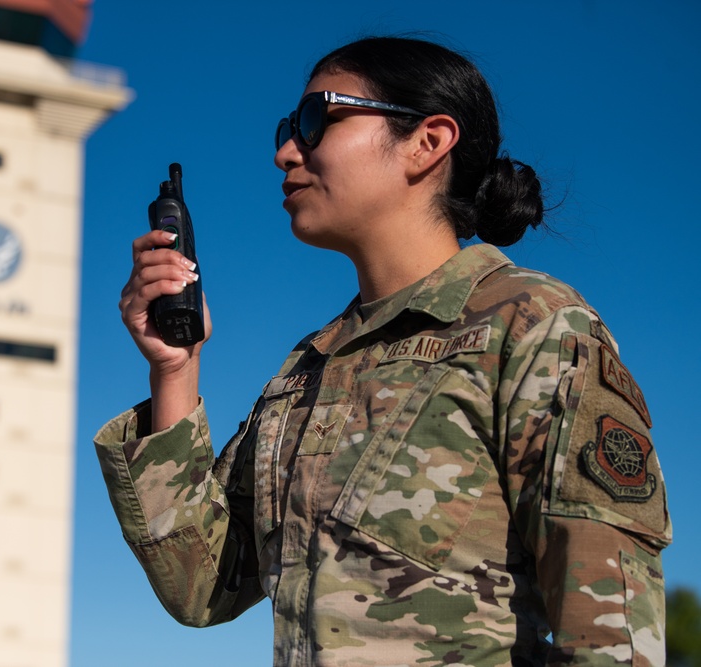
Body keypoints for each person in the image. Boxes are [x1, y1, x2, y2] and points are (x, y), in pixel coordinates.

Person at [93, 36, 671, 666]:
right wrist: (174, 369)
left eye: (315, 121)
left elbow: (610, 639)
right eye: (288, 128)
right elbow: (202, 587)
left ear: (427, 142)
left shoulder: (531, 327)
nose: (287, 150)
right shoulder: (308, 369)